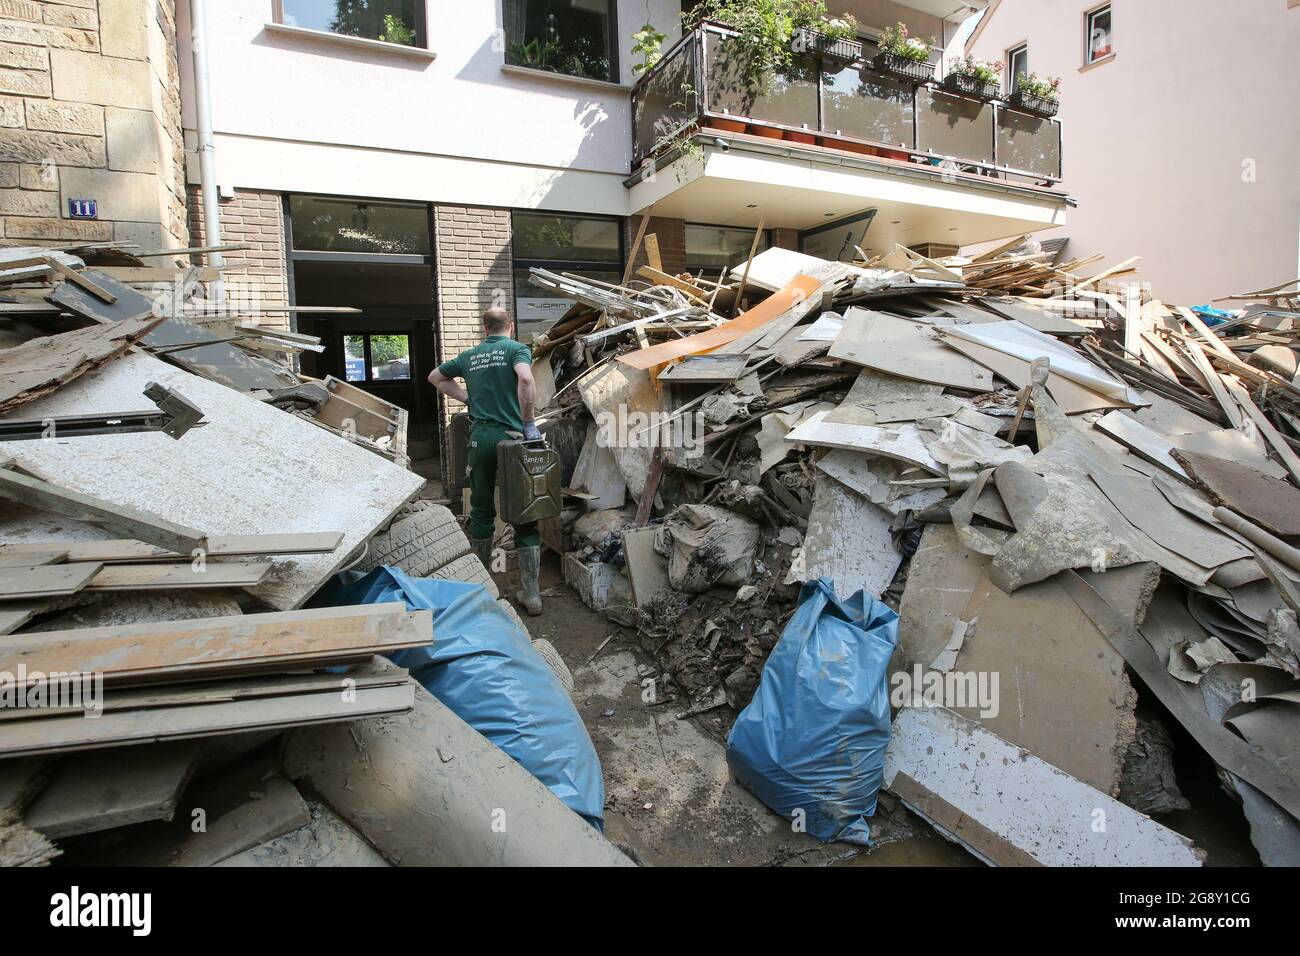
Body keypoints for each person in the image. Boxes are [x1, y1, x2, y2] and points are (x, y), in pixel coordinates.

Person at [428, 307, 544, 615]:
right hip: (514, 440)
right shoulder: (517, 349)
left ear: (485, 329)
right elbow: (525, 378)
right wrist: (529, 421)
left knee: (481, 510)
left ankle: (483, 592)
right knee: (525, 512)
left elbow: (435, 377)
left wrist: (468, 400)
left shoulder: (469, 356)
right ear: (511, 326)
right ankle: (532, 596)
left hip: (481, 438)